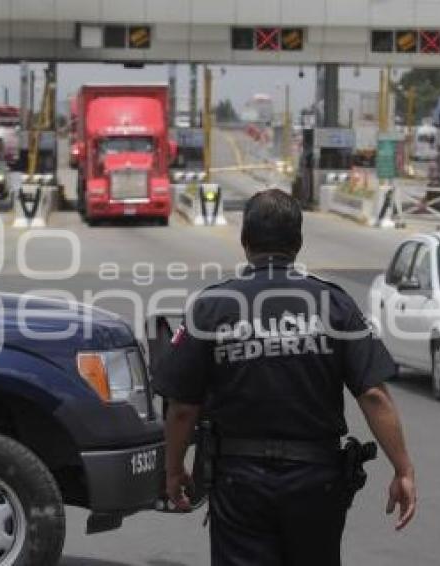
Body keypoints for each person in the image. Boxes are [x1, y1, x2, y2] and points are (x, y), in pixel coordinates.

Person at [154, 189, 416, 566]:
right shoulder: (334, 303)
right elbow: (374, 395)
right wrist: (403, 468)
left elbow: (182, 409)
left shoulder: (212, 307)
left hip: (239, 482)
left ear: (244, 242)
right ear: (298, 242)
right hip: (316, 480)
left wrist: (174, 470)